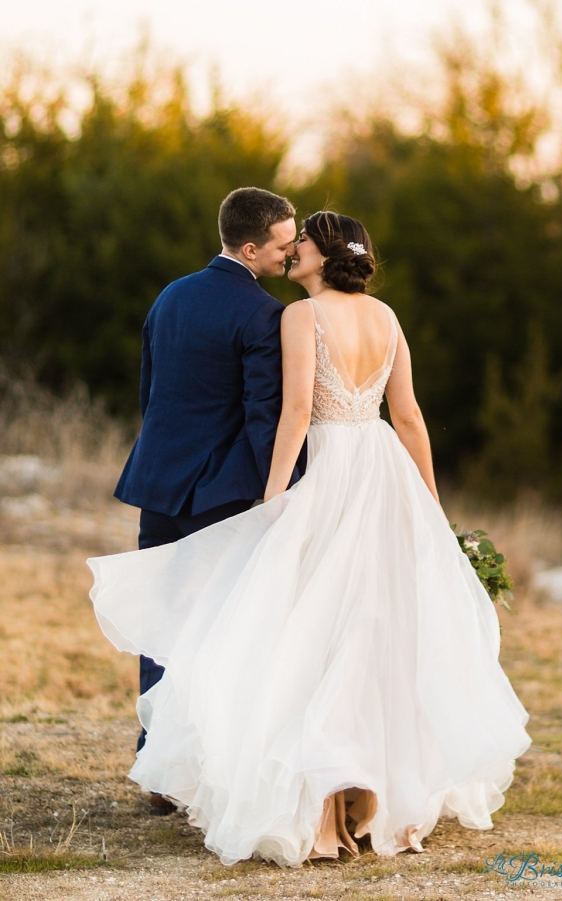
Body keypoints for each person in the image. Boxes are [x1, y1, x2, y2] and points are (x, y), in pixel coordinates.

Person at [89, 210, 531, 866]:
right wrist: (431, 503)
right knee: (378, 627)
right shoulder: (386, 318)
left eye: (302, 244)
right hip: (383, 473)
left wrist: (274, 499)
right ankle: (380, 796)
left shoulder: (300, 317)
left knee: (312, 629)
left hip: (328, 467)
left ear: (323, 257)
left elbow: (296, 410)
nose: (292, 251)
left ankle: (326, 808)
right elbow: (408, 416)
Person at [112, 186, 303, 813]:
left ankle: (158, 769)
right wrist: (278, 492)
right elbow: (262, 418)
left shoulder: (170, 296)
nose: (290, 252)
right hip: (221, 495)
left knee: (162, 624)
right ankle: (204, 768)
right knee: (223, 628)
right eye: (282, 244)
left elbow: (151, 392)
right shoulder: (261, 314)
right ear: (250, 248)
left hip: (159, 486)